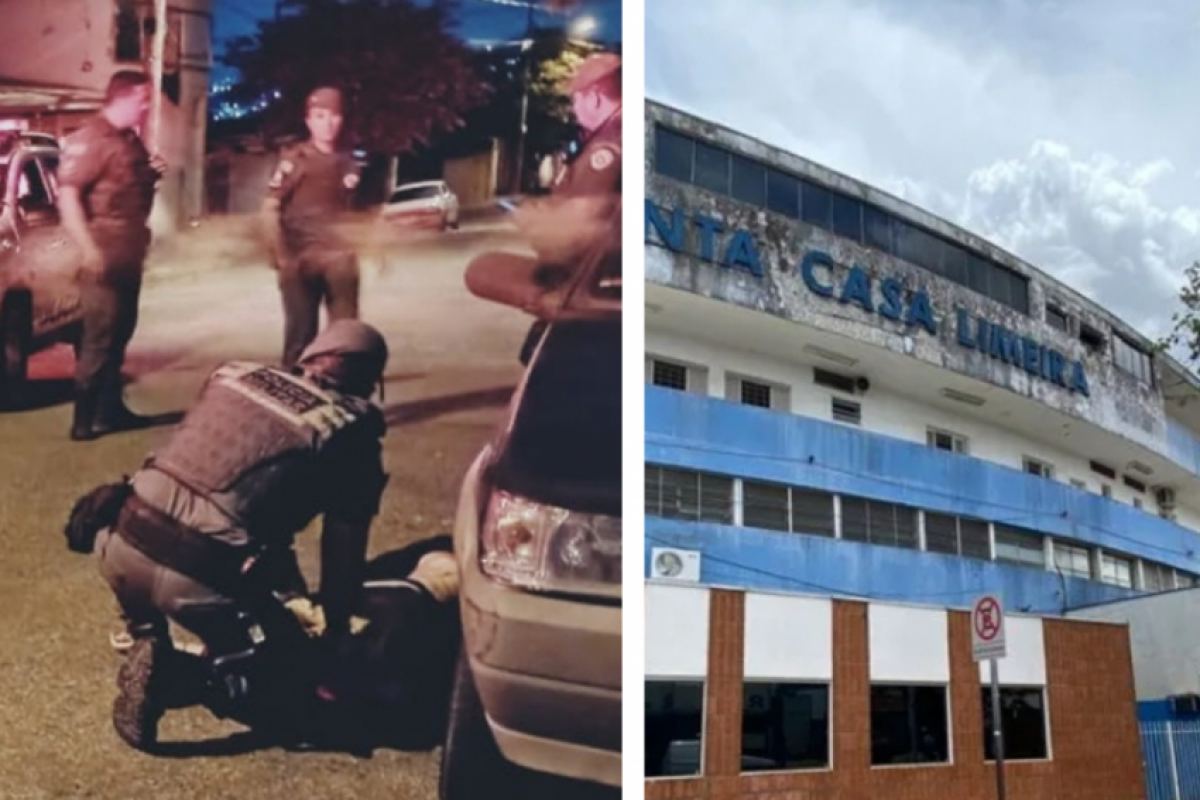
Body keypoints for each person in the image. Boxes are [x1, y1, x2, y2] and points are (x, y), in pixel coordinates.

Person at [80, 319, 390, 752]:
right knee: (295, 689)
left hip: (119, 542)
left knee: (194, 564)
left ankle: (145, 636)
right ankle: (177, 678)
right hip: (195, 578)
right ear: (369, 380)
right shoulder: (350, 431)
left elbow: (249, 503)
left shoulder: (234, 375)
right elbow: (343, 548)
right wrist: (334, 630)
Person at [464, 52, 623, 363]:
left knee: (481, 269)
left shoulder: (608, 146)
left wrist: (532, 219)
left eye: (575, 101)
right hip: (596, 276)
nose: (574, 110)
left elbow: (578, 230)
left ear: (592, 97)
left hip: (585, 283)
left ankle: (560, 306)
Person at [56, 70, 168, 441]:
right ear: (124, 96)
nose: (148, 104)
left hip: (128, 253)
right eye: (143, 97)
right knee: (98, 338)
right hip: (101, 253)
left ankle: (110, 412)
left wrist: (152, 176)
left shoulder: (130, 142)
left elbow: (134, 198)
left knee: (120, 335)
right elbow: (68, 196)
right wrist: (88, 248)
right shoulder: (91, 139)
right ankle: (83, 421)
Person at [261, 86, 363, 371]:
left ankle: (342, 393)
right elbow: (270, 207)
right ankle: (293, 395)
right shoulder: (296, 160)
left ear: (341, 119)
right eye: (319, 116)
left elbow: (357, 213)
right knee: (300, 335)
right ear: (308, 121)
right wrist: (281, 257)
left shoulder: (350, 162)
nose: (327, 123)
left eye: (333, 116)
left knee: (345, 334)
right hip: (300, 261)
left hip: (338, 260)